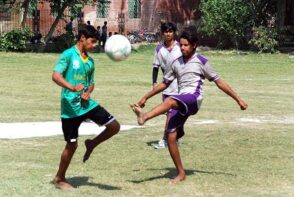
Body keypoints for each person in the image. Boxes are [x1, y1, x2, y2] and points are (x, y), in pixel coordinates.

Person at [131, 27, 248, 183]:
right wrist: (145, 97)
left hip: (194, 98)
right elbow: (165, 84)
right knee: (170, 136)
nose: (183, 48)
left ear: (194, 45)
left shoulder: (201, 61)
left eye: (186, 45)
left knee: (170, 101)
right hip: (182, 98)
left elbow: (219, 82)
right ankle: (181, 173)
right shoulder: (176, 62)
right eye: (181, 45)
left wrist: (238, 99)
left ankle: (145, 117)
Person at [51, 24, 120, 190]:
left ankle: (92, 144)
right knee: (72, 144)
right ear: (82, 38)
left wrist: (88, 92)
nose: (95, 45)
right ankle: (59, 178)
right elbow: (55, 76)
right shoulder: (68, 55)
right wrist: (71, 87)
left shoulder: (90, 61)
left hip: (86, 104)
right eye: (92, 41)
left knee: (114, 126)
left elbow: (91, 84)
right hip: (70, 108)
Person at [151, 22, 182, 149]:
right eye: (166, 31)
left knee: (175, 114)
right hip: (166, 86)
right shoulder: (159, 49)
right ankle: (169, 139)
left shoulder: (181, 47)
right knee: (170, 114)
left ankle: (170, 139)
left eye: (170, 31)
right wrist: (154, 83)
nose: (168, 34)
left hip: (180, 85)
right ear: (163, 33)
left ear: (174, 32)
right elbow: (155, 67)